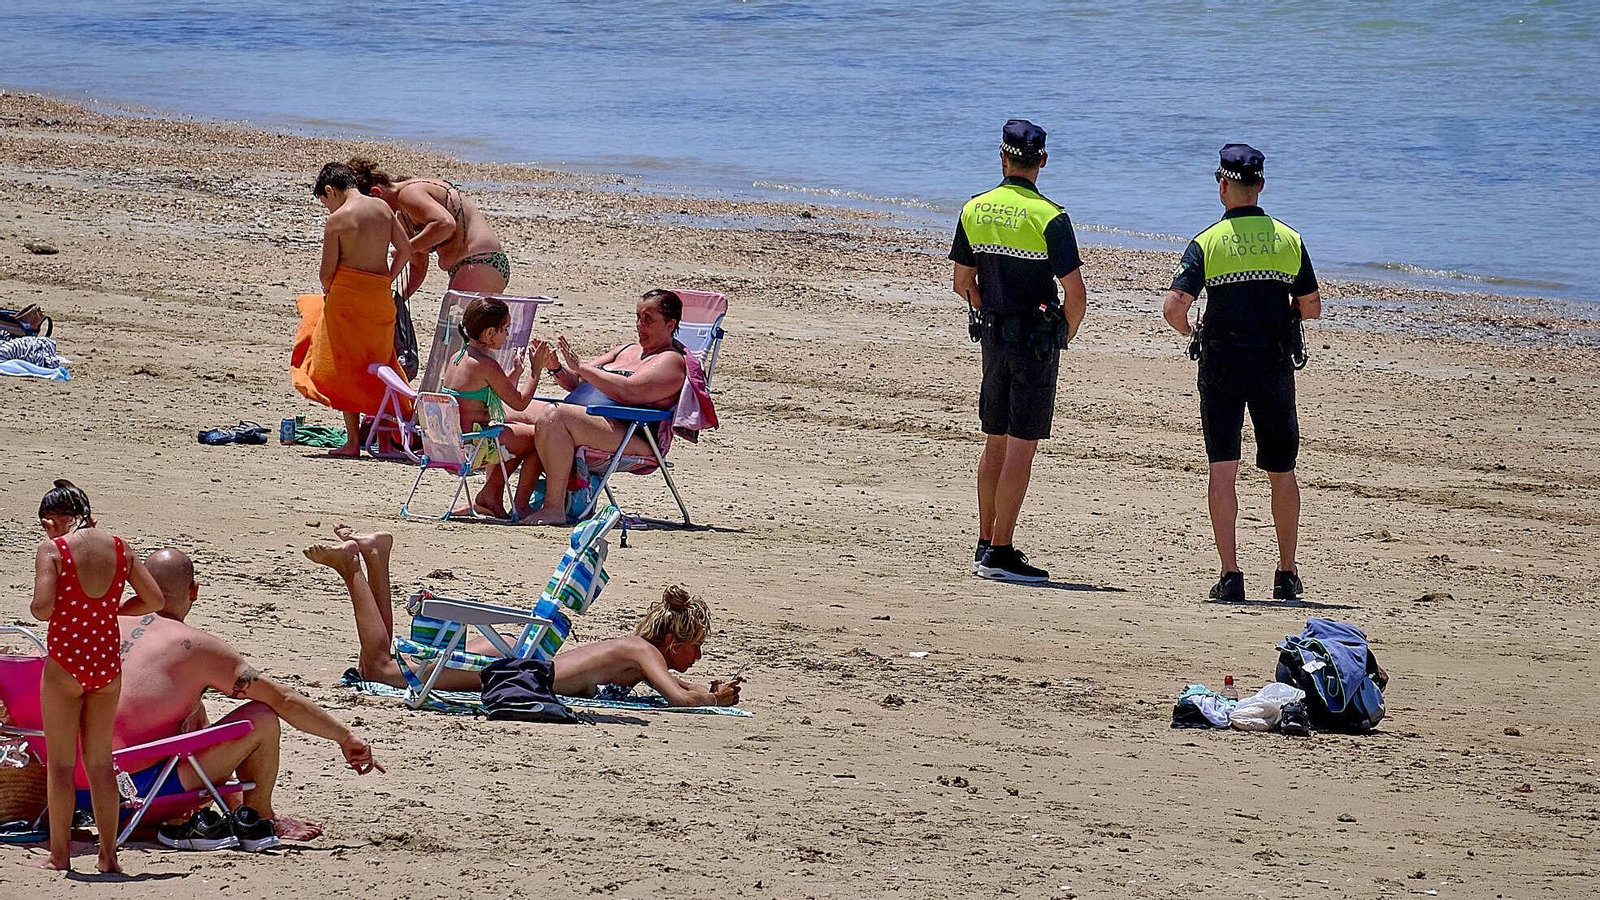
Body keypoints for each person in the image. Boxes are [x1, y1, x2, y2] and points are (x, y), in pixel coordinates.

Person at [101, 547, 384, 851]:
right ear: (194, 591)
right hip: (139, 793)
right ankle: (261, 815)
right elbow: (283, 699)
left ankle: (235, 808)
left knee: (191, 706)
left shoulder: (107, 624)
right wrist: (345, 736)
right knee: (261, 717)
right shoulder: (193, 646)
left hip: (82, 788)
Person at [303, 526, 741, 707]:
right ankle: (352, 569)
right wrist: (712, 699)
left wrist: (708, 688)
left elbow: (680, 685)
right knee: (379, 669)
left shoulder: (639, 654)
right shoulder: (642, 652)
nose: (699, 657)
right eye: (696, 647)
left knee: (384, 666)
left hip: (514, 652)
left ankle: (377, 558)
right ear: (670, 641)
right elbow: (679, 698)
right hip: (513, 669)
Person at [1161, 143, 1322, 602]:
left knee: (1222, 470)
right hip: (1272, 365)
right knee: (1282, 470)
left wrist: (1192, 327)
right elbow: (1311, 307)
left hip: (1223, 365)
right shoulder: (1289, 239)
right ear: (1261, 186)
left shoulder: (1208, 242)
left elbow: (1174, 307)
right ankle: (1286, 573)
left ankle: (1231, 575)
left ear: (1223, 187)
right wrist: (1285, 310)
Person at [949, 120, 1088, 583]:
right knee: (1021, 447)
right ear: (1042, 161)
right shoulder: (1050, 217)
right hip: (1035, 341)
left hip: (994, 336)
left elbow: (962, 283)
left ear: (1001, 157)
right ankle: (1001, 552)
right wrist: (1061, 337)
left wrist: (994, 315)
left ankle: (985, 540)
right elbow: (1076, 294)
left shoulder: (975, 208)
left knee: (995, 439)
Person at [28, 480, 164, 873]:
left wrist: (69, 608)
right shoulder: (119, 547)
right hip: (106, 665)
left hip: (67, 663)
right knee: (101, 763)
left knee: (61, 765)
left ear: (55, 520)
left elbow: (40, 608)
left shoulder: (53, 550)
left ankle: (60, 855)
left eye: (46, 524)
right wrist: (113, 610)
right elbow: (154, 599)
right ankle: (108, 856)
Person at [500, 289, 688, 525]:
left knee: (553, 417)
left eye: (648, 319)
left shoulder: (671, 361)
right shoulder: (627, 349)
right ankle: (493, 498)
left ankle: (553, 508)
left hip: (633, 434)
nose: (640, 325)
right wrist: (557, 367)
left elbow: (628, 392)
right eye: (638, 317)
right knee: (509, 410)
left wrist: (581, 367)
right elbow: (578, 381)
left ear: (670, 325)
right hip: (589, 420)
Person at [291, 162, 414, 458]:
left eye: (325, 201)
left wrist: (332, 288)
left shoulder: (337, 221)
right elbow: (406, 250)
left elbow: (326, 273)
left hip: (347, 298)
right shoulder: (383, 209)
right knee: (381, 363)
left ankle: (352, 442)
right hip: (379, 298)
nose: (328, 208)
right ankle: (384, 442)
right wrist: (386, 278)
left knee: (345, 365)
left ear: (331, 190)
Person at [440, 296, 554, 518]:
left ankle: (490, 496)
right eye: (505, 329)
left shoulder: (459, 356)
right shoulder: (486, 365)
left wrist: (516, 372)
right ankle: (519, 505)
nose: (508, 334)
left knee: (512, 432)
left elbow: (492, 391)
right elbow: (519, 403)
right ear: (489, 333)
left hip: (448, 446)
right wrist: (536, 371)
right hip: (473, 445)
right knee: (539, 438)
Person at [347, 157, 510, 297]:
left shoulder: (409, 192)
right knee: (458, 330)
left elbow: (445, 224)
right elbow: (418, 266)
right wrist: (396, 296)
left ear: (376, 193)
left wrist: (407, 248)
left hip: (481, 261)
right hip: (470, 266)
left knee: (456, 331)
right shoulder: (403, 216)